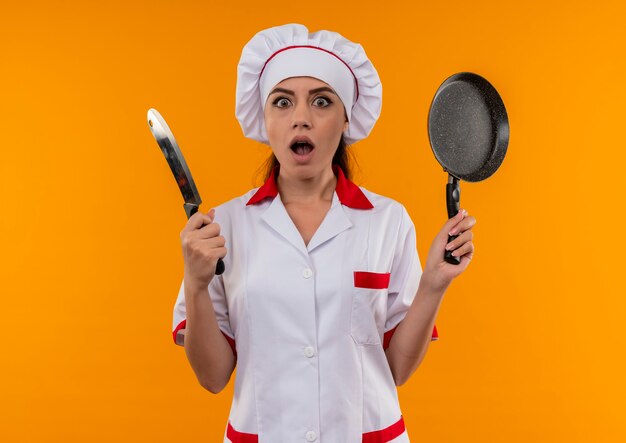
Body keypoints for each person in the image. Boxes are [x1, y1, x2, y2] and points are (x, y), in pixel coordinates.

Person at [172, 23, 476, 443]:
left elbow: (398, 370)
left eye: (321, 101)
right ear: (265, 118)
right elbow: (213, 377)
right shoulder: (222, 228)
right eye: (282, 102)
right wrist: (196, 283)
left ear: (346, 117)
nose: (301, 118)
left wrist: (433, 284)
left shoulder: (388, 221)